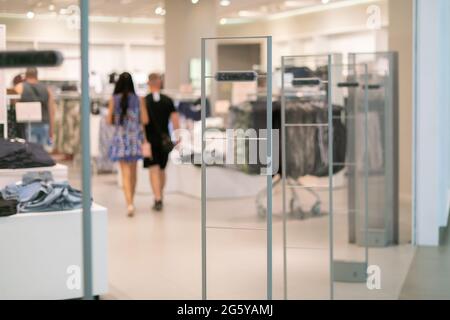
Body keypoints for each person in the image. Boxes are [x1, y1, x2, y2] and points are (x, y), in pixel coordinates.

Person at [108, 72, 149, 217]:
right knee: (133, 173)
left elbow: (109, 120)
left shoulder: (114, 99)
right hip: (134, 138)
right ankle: (132, 200)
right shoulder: (139, 99)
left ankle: (129, 204)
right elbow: (144, 120)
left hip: (120, 139)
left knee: (124, 173)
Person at [144, 73, 180, 212]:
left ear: (149, 82)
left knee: (154, 169)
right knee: (162, 169)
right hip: (165, 139)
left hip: (149, 139)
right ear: (160, 82)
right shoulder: (168, 100)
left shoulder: (144, 101)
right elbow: (175, 120)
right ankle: (160, 195)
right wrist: (178, 136)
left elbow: (142, 121)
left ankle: (157, 197)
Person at [14, 67, 56, 146]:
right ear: (37, 75)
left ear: (26, 75)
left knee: (30, 152)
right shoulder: (47, 89)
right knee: (42, 152)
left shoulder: (19, 87)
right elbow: (52, 110)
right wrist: (52, 130)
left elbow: (13, 106)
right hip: (44, 124)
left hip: (27, 124)